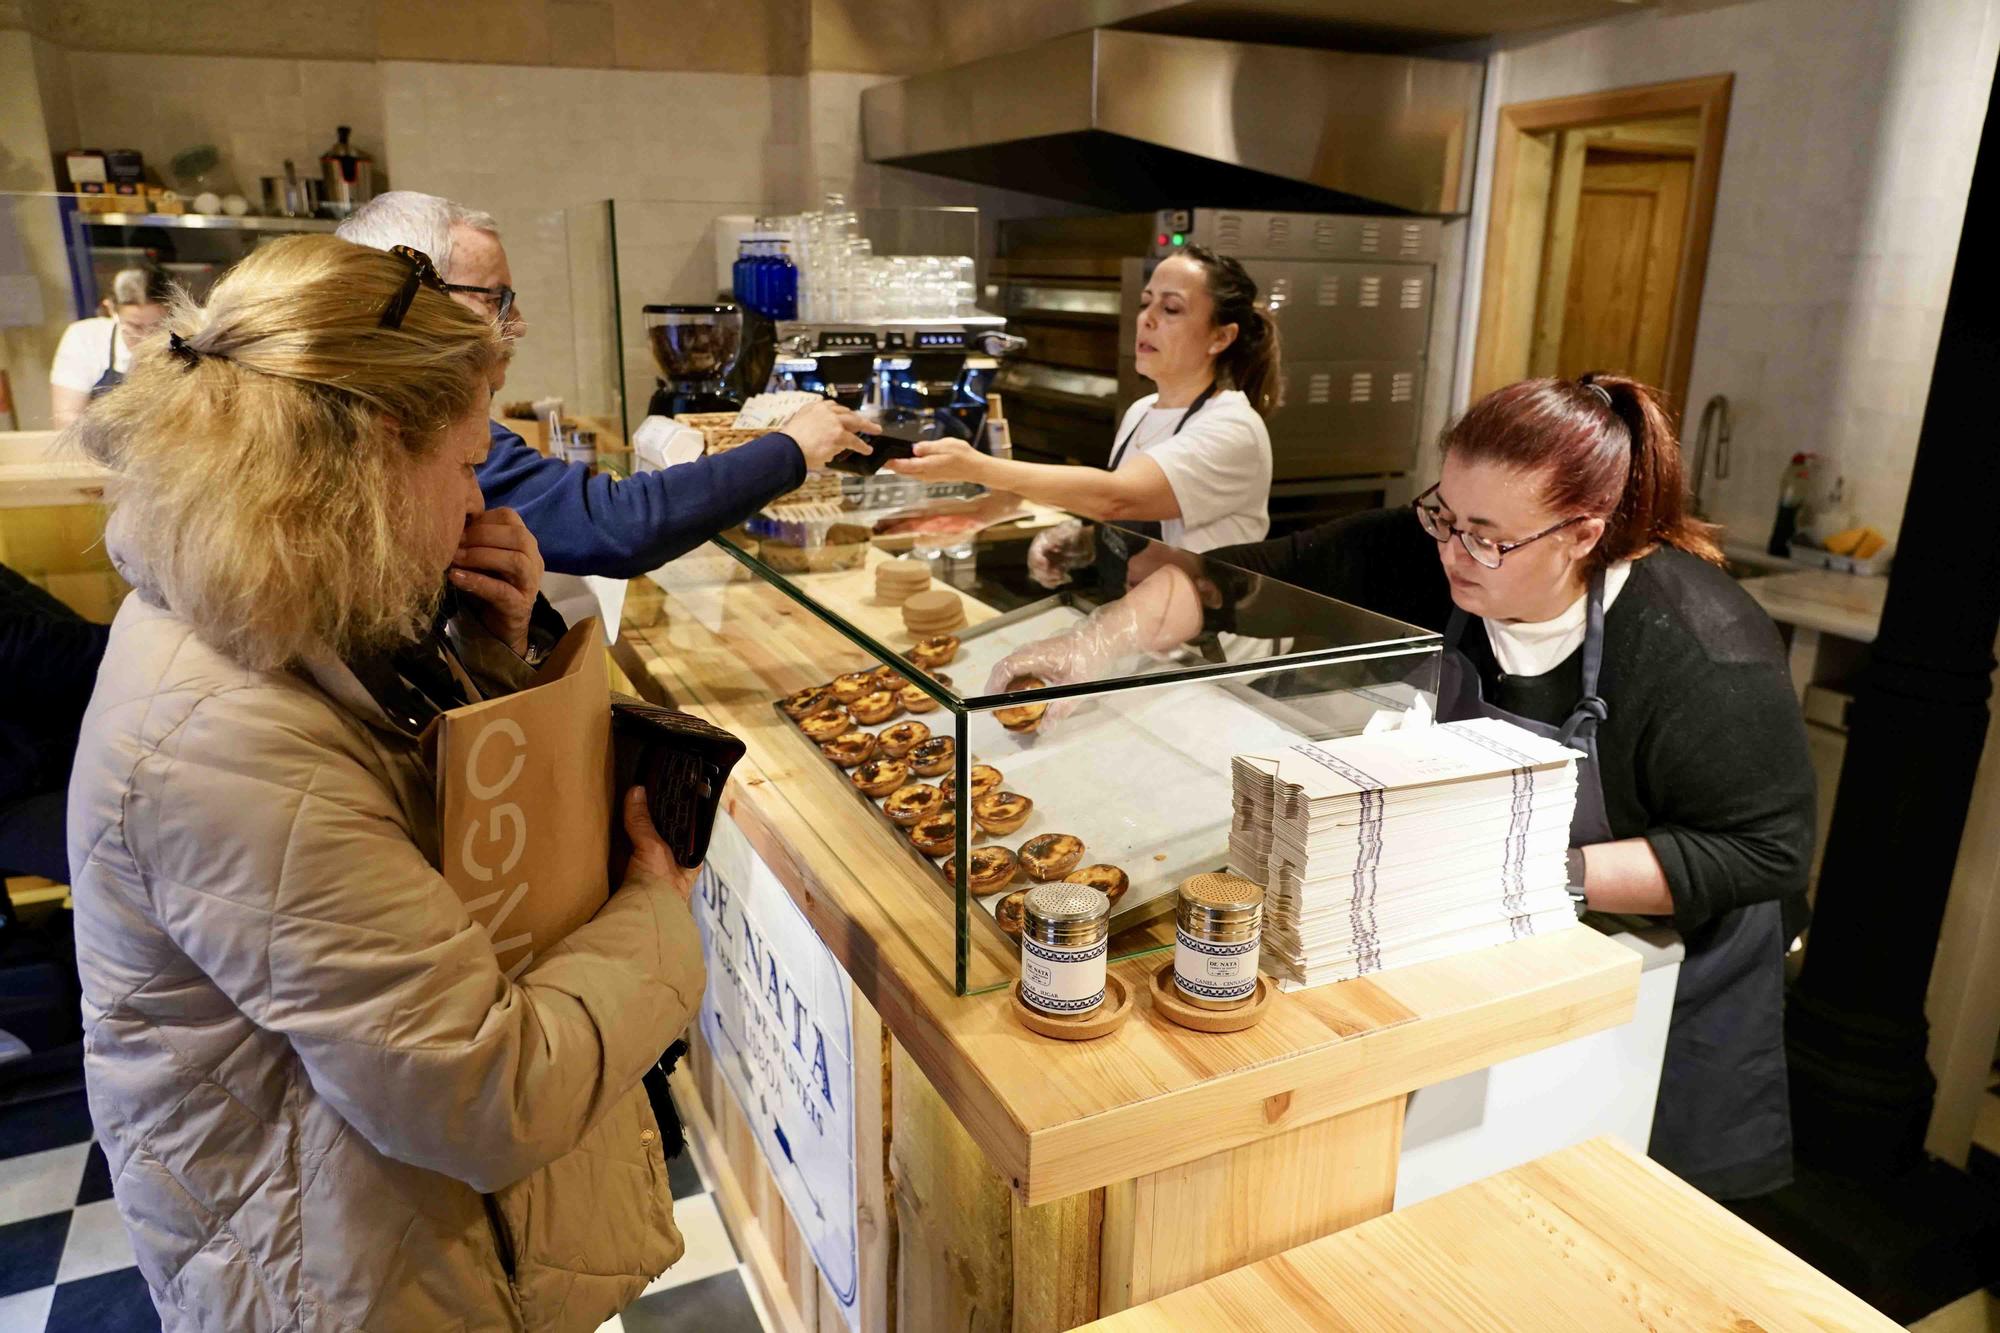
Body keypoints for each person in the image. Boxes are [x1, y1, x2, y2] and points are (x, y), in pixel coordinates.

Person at [66, 235, 707, 1331]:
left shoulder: (275, 597)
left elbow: (412, 824)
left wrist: (495, 652)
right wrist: (660, 909)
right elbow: (486, 1095)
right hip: (349, 1273)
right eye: (462, 464)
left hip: (399, 1233)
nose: (477, 505)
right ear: (363, 463)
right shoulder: (222, 740)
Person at [997, 374, 1815, 1201]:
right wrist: (1091, 649)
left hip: (1664, 966)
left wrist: (1527, 870)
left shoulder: (1703, 645)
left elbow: (1765, 851)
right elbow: (1226, 584)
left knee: (1624, 1215)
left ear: (1583, 534)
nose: (1452, 552)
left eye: (1488, 539)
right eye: (1444, 518)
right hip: (1497, 934)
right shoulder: (1441, 554)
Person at [337, 191, 869, 578]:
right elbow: (611, 526)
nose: (517, 322)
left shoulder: (406, 412)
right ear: (414, 297)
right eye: (494, 298)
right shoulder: (393, 425)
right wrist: (791, 449)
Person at [886, 244, 1279, 553]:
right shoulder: (1142, 412)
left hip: (1211, 651)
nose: (1147, 318)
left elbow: (1118, 499)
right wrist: (1089, 543)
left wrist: (977, 467)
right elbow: (1137, 519)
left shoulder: (1232, 428)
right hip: (1144, 636)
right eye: (1146, 302)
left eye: (1171, 308)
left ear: (1220, 337)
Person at [48, 263, 172, 426]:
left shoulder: (187, 338)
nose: (145, 337)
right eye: (135, 326)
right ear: (111, 309)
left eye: (157, 326)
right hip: (102, 447)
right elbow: (66, 419)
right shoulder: (85, 338)